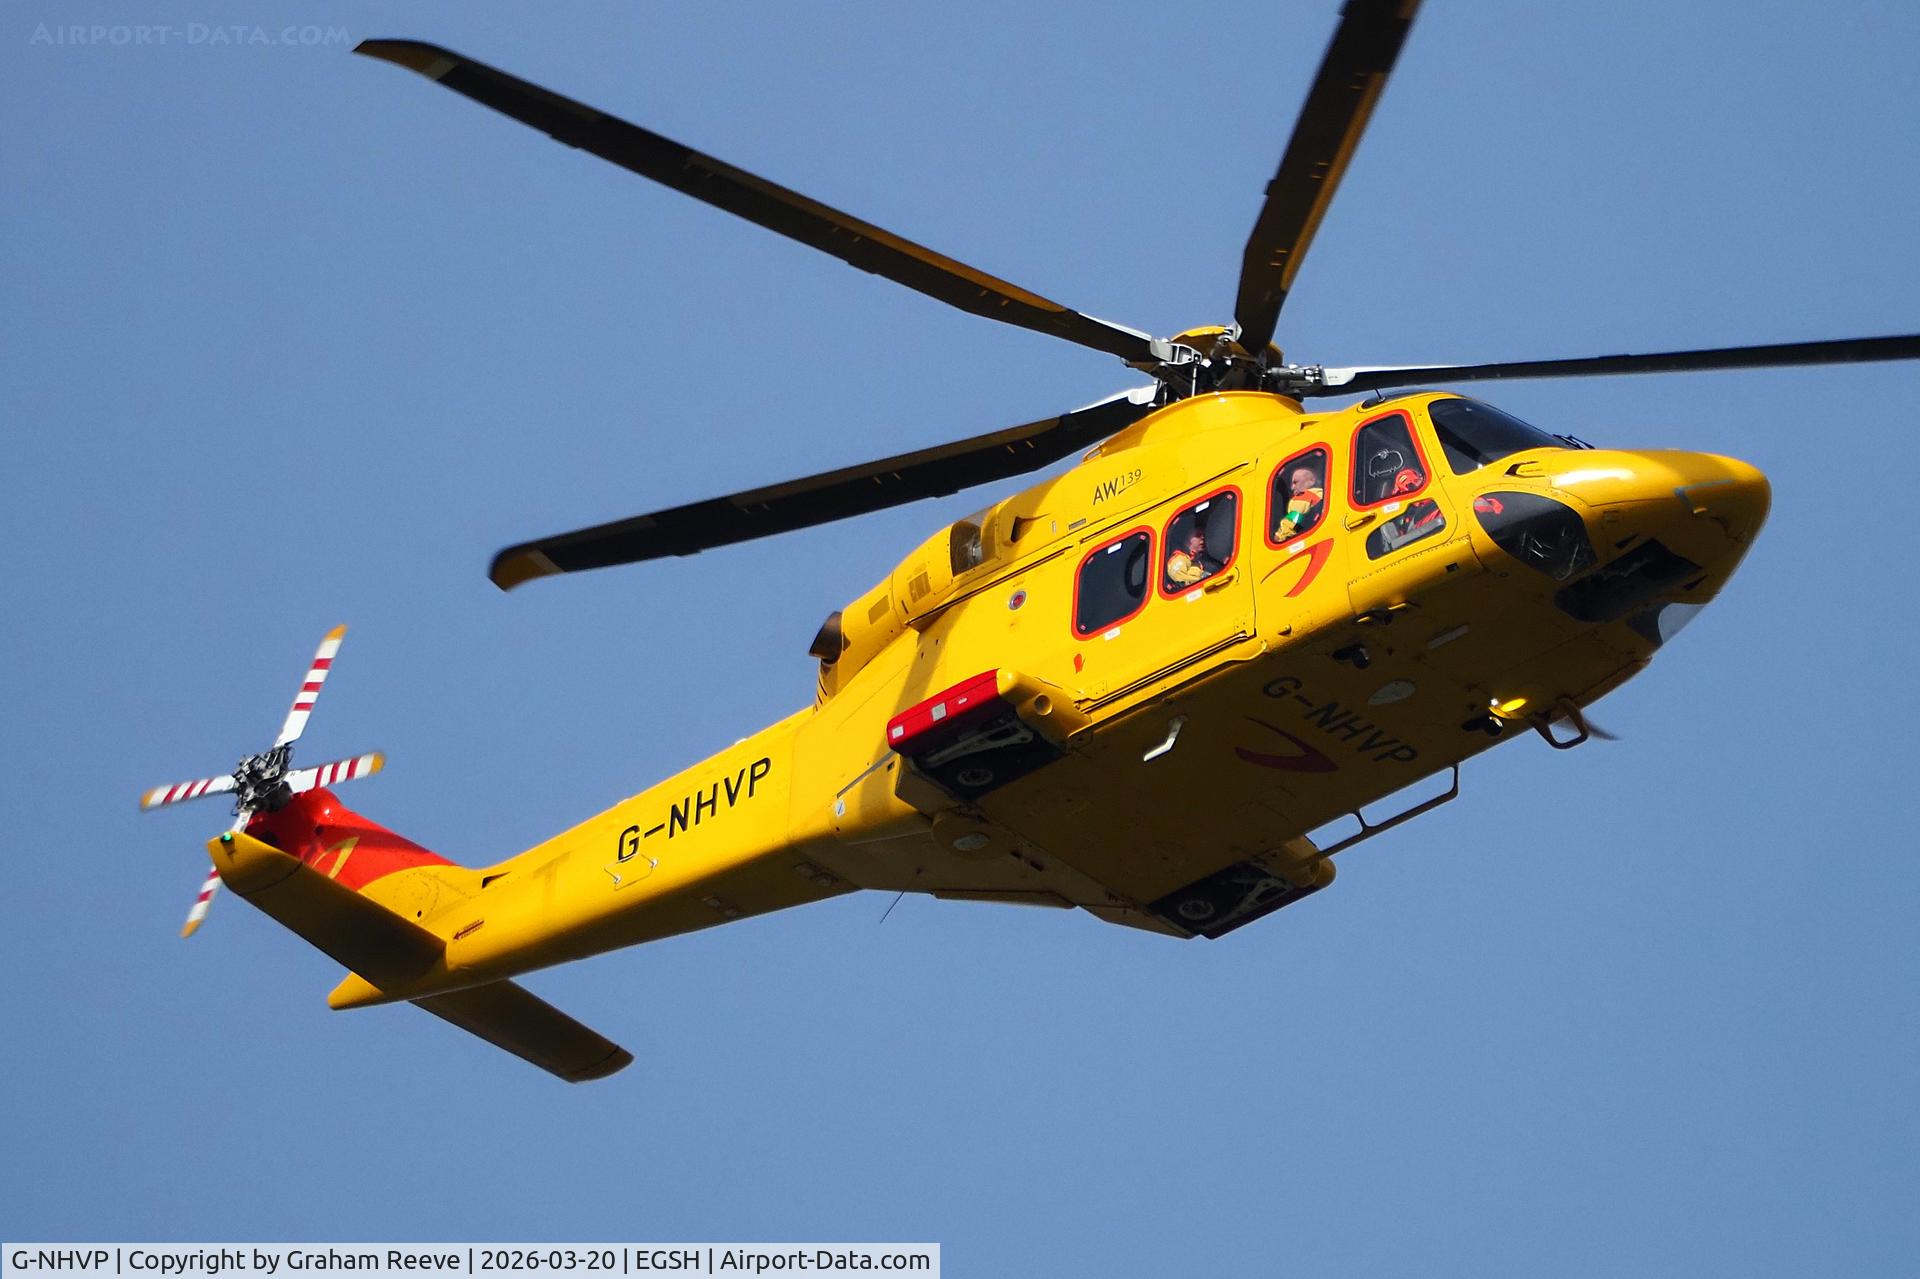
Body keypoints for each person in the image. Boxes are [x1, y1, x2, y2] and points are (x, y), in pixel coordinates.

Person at [1273, 464, 1324, 542]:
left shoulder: (1303, 497)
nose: (1292, 487)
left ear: (1311, 481)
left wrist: (1279, 536)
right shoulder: (1322, 494)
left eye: (1295, 482)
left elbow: (1292, 521)